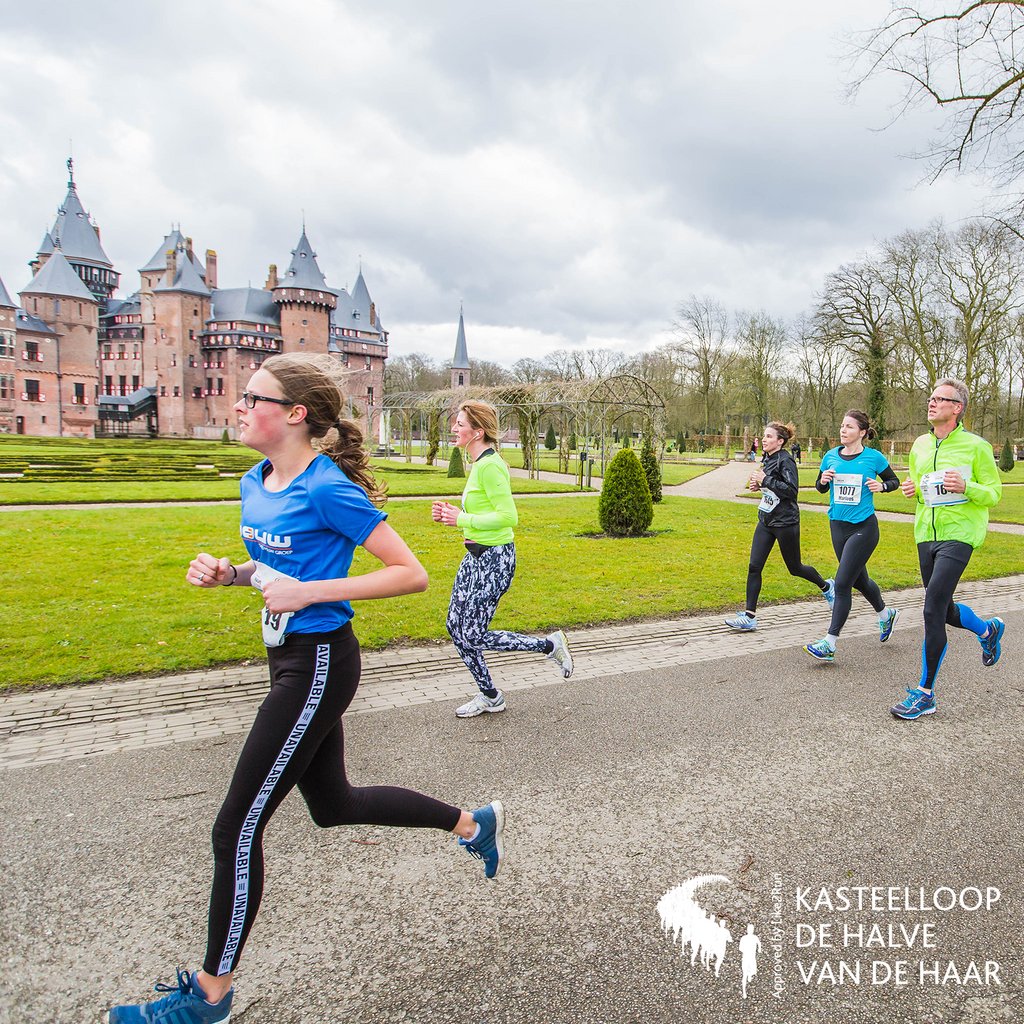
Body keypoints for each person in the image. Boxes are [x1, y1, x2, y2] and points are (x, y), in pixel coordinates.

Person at [108, 356, 504, 1024]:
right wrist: (230, 574)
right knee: (334, 803)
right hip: (284, 656)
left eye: (251, 397)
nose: (237, 406)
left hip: (320, 662)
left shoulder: (327, 488)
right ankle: (472, 823)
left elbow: (410, 574)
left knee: (235, 826)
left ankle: (210, 997)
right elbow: (274, 565)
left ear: (294, 414)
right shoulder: (254, 481)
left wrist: (310, 592)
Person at [432, 399, 573, 717]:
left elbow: (508, 517)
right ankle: (490, 696)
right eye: (455, 422)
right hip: (475, 557)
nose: (454, 428)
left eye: (460, 424)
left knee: (473, 633)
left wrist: (461, 520)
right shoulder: (479, 464)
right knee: (456, 626)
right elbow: (481, 512)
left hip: (495, 560)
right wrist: (453, 515)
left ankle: (549, 646)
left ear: (477, 431)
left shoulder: (491, 466)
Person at [891, 378, 1004, 720]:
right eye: (931, 397)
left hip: (960, 534)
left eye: (941, 399)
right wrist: (912, 490)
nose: (932, 402)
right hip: (926, 533)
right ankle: (988, 630)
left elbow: (994, 493)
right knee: (943, 608)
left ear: (957, 408)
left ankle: (925, 694)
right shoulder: (920, 446)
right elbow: (923, 489)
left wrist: (967, 486)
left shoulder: (976, 446)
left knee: (931, 609)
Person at [803, 410, 901, 662]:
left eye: (849, 426)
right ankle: (885, 615)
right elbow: (820, 487)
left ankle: (829, 642)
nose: (843, 430)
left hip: (864, 527)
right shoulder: (830, 456)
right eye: (842, 426)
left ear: (862, 432)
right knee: (859, 580)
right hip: (837, 525)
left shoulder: (873, 457)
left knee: (843, 582)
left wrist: (882, 486)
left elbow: (894, 481)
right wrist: (823, 480)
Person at [725, 421, 834, 631]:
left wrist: (765, 480)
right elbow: (772, 487)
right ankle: (749, 616)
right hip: (766, 520)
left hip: (785, 522)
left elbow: (791, 491)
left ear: (780, 441)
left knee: (795, 568)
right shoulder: (767, 458)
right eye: (764, 436)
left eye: (768, 436)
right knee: (754, 566)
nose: (764, 439)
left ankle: (827, 586)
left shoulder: (787, 461)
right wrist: (759, 485)